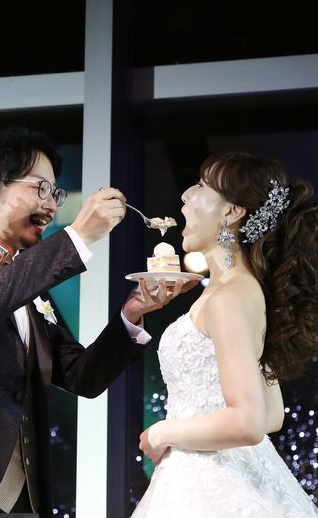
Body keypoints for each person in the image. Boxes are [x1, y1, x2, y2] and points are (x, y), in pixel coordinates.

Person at [0, 128, 190, 517]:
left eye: (54, 193)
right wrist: (78, 236)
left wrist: (132, 313)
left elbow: (83, 376)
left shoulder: (25, 287)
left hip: (24, 495)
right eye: (39, 189)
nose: (51, 206)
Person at [132, 152, 318, 517]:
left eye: (201, 185)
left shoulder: (230, 297)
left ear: (231, 212)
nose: (185, 195)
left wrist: (162, 432)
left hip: (211, 486)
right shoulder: (240, 290)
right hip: (215, 478)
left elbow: (248, 422)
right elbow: (271, 413)